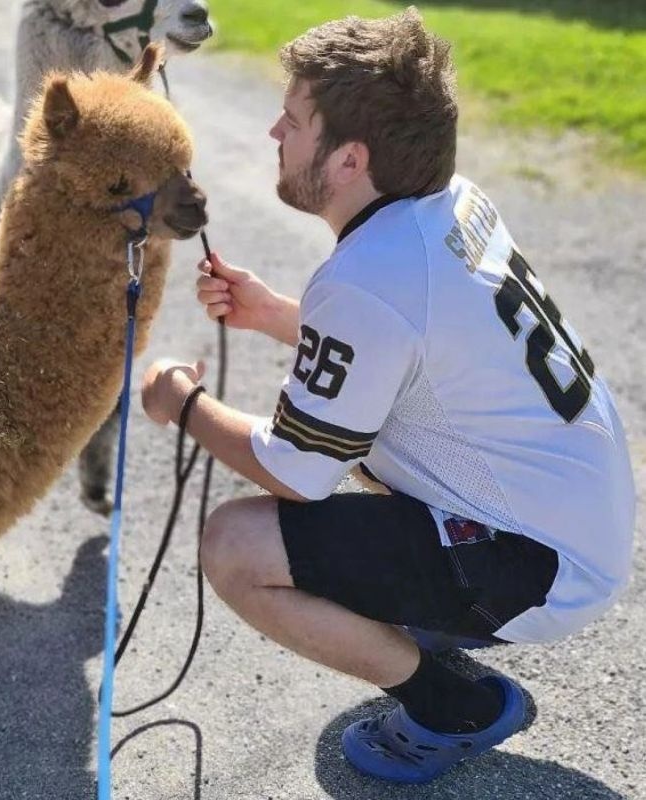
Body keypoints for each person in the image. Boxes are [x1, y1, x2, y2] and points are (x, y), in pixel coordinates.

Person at [139, 6, 635, 784]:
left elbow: (297, 471)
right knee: (370, 448)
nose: (274, 132)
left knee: (235, 547)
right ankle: (440, 617)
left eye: (295, 120)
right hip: (579, 521)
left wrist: (183, 405)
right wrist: (274, 315)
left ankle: (453, 706)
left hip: (542, 566)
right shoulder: (449, 201)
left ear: (348, 160)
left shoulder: (367, 280)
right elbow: (408, 345)